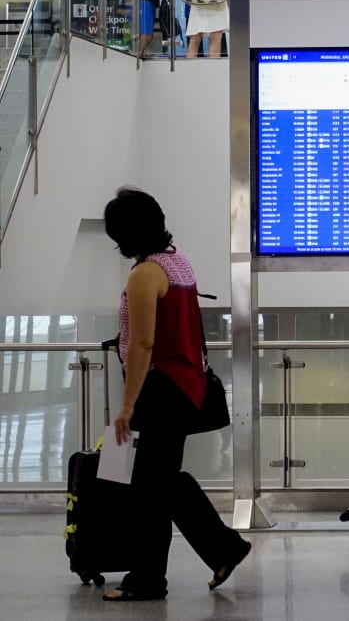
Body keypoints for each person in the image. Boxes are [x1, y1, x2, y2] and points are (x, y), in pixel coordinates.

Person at [101, 188, 251, 602]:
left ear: (125, 233)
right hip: (186, 386)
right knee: (158, 481)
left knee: (150, 487)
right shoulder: (177, 262)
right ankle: (223, 549)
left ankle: (149, 580)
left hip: (162, 389)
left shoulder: (145, 274)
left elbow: (143, 345)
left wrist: (127, 404)